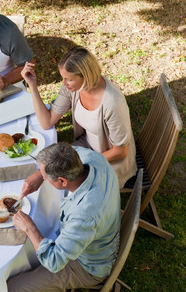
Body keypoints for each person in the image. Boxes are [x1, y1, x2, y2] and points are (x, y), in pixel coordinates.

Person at [7, 143, 120, 292]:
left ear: (62, 181)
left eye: (45, 176)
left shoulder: (84, 216)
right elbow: (70, 147)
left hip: (87, 267)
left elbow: (54, 262)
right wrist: (39, 176)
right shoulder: (93, 159)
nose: (42, 177)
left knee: (14, 290)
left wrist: (29, 227)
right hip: (95, 239)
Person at [21, 46, 136, 187]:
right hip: (86, 146)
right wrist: (32, 86)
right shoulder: (74, 88)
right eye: (63, 78)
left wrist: (83, 161)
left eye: (68, 79)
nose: (63, 84)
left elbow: (121, 151)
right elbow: (47, 122)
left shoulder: (112, 103)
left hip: (110, 162)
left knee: (59, 180)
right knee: (50, 170)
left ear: (85, 75)